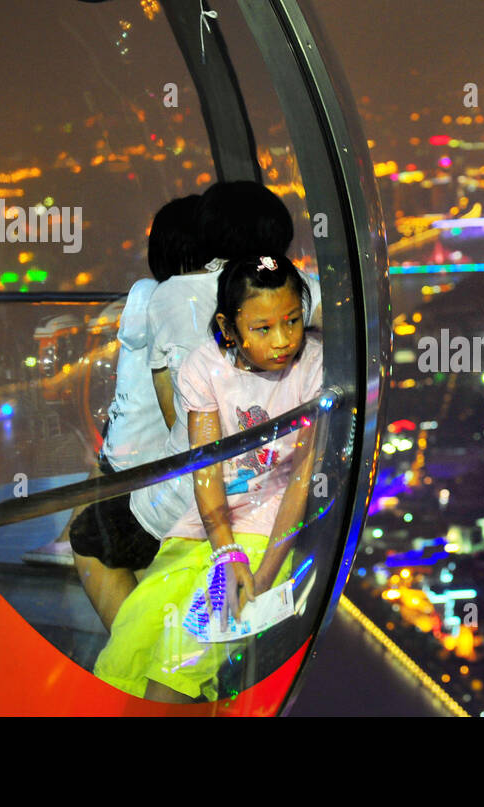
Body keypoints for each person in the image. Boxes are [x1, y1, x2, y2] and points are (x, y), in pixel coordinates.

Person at [94, 255, 323, 702]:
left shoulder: (312, 369)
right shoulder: (204, 367)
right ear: (228, 325)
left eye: (292, 321)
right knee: (130, 642)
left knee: (177, 667)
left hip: (269, 530)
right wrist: (225, 551)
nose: (282, 340)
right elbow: (207, 467)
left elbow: (301, 478)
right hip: (205, 529)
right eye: (262, 328)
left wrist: (264, 571)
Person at [129, 181, 320, 542]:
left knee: (92, 537)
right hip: (270, 494)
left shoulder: (169, 293)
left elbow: (171, 403)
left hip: (184, 494)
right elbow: (341, 320)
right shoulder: (289, 287)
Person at [53, 196, 201, 630]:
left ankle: (133, 649)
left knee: (90, 536)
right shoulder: (222, 305)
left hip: (140, 471)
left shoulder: (145, 296)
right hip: (168, 472)